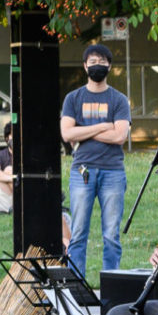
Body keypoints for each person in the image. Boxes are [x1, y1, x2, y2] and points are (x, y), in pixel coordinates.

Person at [60, 43, 132, 275]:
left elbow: (120, 136)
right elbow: (67, 133)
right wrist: (103, 126)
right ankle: (77, 287)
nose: (97, 66)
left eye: (101, 62)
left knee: (111, 235)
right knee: (78, 232)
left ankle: (111, 288)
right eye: (92, 62)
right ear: (84, 66)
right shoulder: (73, 98)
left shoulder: (119, 100)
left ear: (109, 66)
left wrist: (84, 130)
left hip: (113, 172)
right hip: (82, 170)